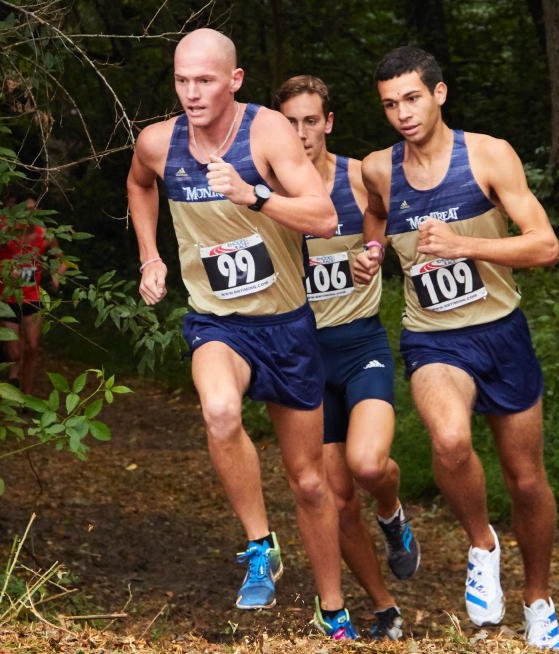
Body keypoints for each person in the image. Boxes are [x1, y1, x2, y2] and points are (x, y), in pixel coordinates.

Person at [126, 29, 352, 636]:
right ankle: (260, 546)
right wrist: (151, 255)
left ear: (235, 80)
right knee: (220, 411)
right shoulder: (157, 143)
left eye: (204, 80)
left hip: (286, 325)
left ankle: (333, 608)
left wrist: (253, 194)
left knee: (308, 480)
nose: (192, 93)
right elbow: (139, 185)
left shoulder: (268, 134)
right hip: (217, 322)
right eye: (181, 80)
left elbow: (326, 217)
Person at [348, 46, 559, 651]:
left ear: (439, 95)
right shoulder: (378, 168)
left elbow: (545, 246)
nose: (402, 114)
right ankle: (481, 544)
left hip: (501, 333)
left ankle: (538, 600)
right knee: (448, 439)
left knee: (526, 482)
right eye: (390, 104)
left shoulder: (488, 155)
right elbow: (374, 215)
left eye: (412, 98)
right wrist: (368, 256)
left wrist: (466, 246)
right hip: (432, 336)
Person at [274, 73, 417, 641]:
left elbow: (386, 217)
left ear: (328, 123)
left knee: (367, 465)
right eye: (290, 123)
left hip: (360, 345)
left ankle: (394, 510)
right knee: (335, 499)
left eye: (311, 121)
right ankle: (383, 606)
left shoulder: (359, 176)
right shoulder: (270, 188)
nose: (302, 133)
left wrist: (372, 252)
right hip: (304, 356)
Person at [0, 203, 59, 396]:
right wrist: (3, 272)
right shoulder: (5, 232)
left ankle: (27, 393)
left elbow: (59, 258)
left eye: (34, 209)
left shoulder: (44, 234)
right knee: (15, 353)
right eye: (25, 209)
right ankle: (13, 379)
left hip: (33, 297)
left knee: (32, 348)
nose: (29, 214)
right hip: (7, 299)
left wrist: (56, 275)